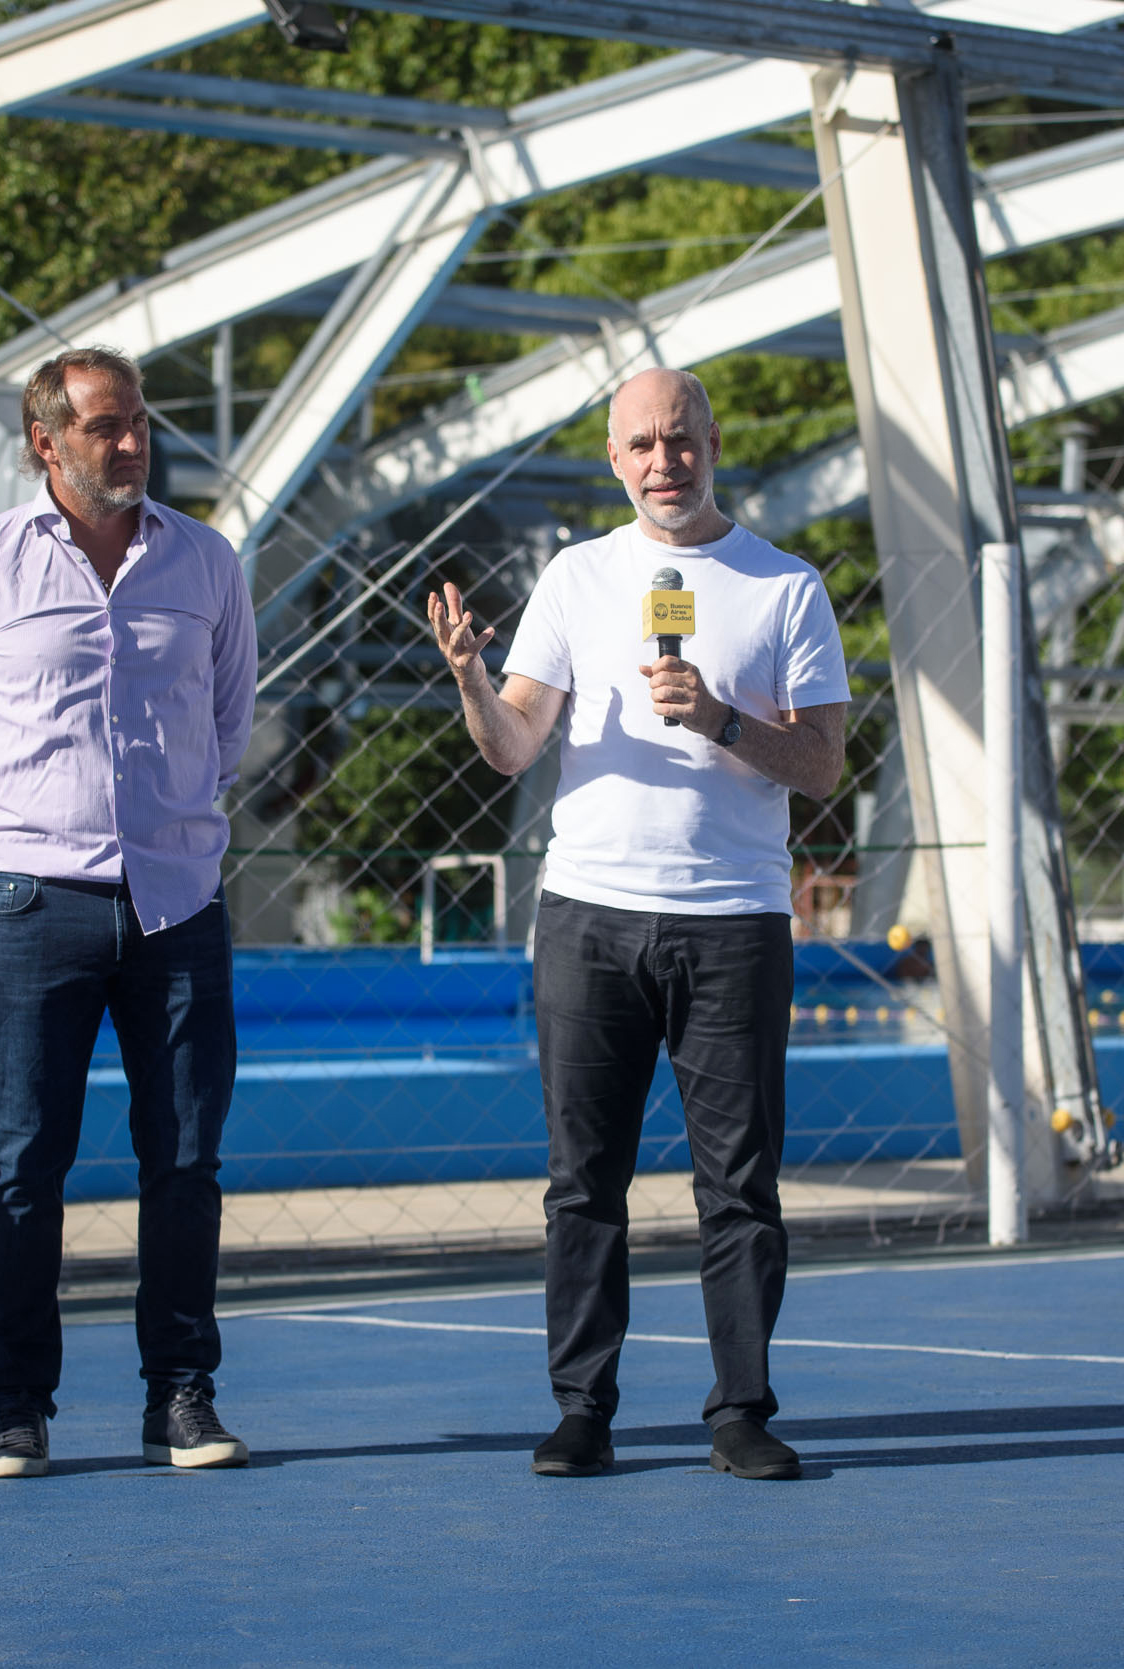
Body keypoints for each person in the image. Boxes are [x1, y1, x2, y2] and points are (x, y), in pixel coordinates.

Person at [428, 368, 849, 1481]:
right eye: (643, 443)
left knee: (740, 1184)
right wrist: (473, 679)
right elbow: (514, 745)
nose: (665, 460)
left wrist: (716, 715)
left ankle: (741, 1410)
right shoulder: (576, 578)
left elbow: (820, 762)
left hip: (732, 922)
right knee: (583, 1179)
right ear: (613, 459)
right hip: (589, 917)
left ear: (716, 443)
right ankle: (582, 1409)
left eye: (682, 438)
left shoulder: (785, 587)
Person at [0, 346, 257, 1480]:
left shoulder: (205, 562)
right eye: (104, 426)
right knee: (23, 1165)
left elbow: (229, 717)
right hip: (32, 903)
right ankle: (17, 1408)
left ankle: (182, 1398)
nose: (130, 443)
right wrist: (13, 829)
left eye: (138, 423)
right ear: (44, 444)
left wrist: (172, 824)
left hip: (177, 907)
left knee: (187, 1161)